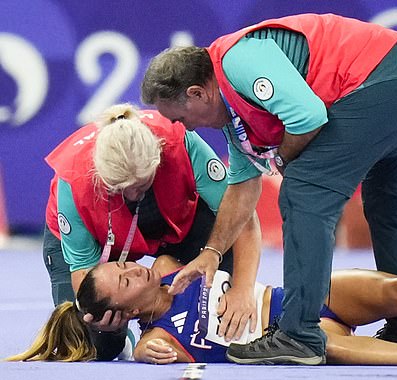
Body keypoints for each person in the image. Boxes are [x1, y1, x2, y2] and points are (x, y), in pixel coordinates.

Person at [140, 13, 397, 364]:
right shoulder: (233, 117)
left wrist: (282, 162)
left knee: (303, 191)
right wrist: (211, 251)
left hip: (386, 80)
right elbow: (242, 188)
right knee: (386, 206)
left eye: (179, 118)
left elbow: (308, 116)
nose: (186, 129)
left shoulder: (237, 62)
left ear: (197, 93)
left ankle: (298, 332)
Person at [7, 256, 397, 368]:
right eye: (122, 280)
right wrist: (134, 346)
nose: (133, 269)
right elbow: (144, 355)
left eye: (125, 264)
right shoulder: (155, 342)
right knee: (322, 346)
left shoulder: (168, 263)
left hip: (300, 296)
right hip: (293, 336)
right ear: (121, 312)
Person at [42, 103, 261, 360]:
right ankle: (121, 342)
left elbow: (243, 218)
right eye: (123, 189)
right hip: (98, 234)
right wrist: (111, 328)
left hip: (175, 217)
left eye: (142, 183)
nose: (135, 195)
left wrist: (241, 290)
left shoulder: (181, 142)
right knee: (94, 344)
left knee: (221, 297)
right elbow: (85, 276)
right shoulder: (74, 181)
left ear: (158, 157)